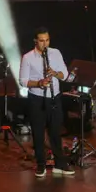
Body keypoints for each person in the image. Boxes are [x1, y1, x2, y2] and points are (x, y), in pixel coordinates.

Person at [18, 27, 74, 178]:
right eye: (42, 41)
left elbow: (65, 75)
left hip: (54, 97)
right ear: (35, 41)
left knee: (55, 132)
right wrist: (39, 83)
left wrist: (54, 73)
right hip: (37, 99)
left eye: (47, 40)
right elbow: (23, 81)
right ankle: (40, 164)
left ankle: (59, 164)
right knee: (38, 133)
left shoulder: (55, 53)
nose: (45, 44)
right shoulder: (28, 57)